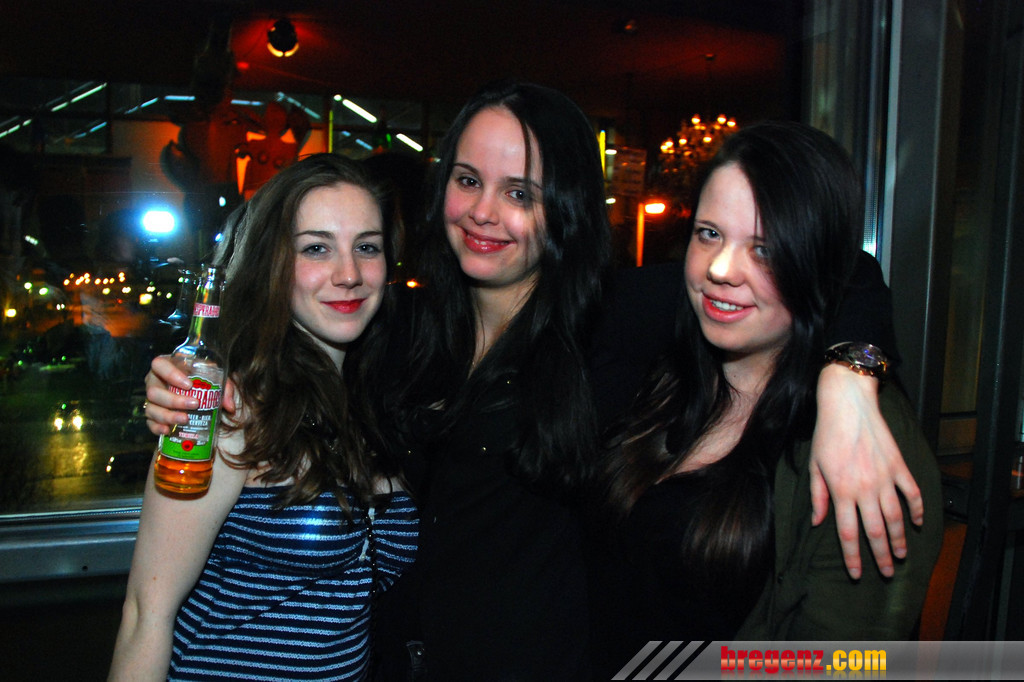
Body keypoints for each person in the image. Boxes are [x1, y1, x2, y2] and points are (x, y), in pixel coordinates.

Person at [144, 82, 921, 680]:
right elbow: (278, 336)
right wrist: (190, 382)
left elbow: (832, 266)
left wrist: (851, 378)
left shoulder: (615, 318)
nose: (485, 212)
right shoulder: (396, 328)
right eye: (467, 180)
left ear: (565, 208)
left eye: (520, 193)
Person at [592, 122, 942, 672]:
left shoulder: (862, 441)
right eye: (709, 234)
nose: (720, 269)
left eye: (765, 249)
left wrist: (851, 374)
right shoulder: (669, 364)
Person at [108, 154, 417, 681]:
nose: (349, 274)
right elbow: (146, 614)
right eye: (316, 248)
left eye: (367, 247)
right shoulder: (225, 407)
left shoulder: (376, 401)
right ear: (272, 263)